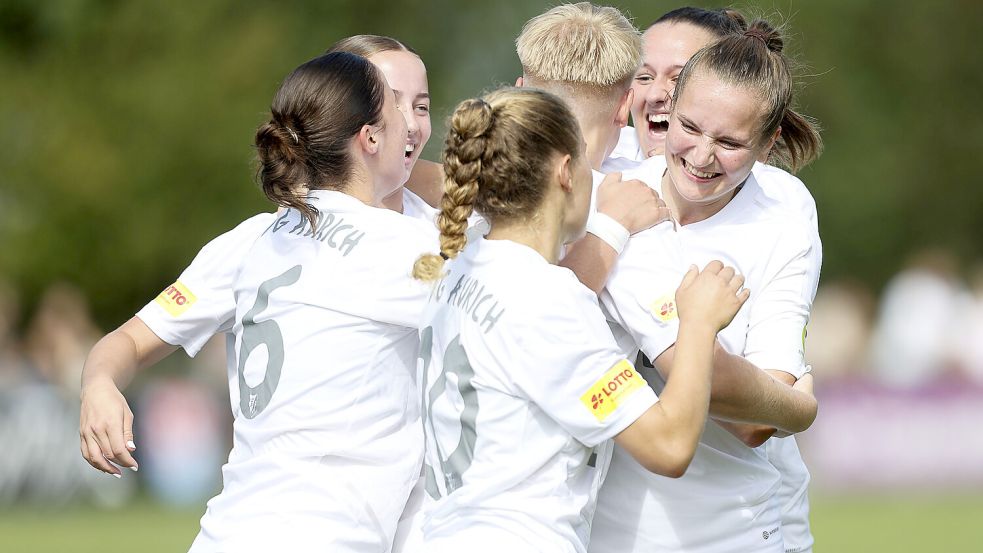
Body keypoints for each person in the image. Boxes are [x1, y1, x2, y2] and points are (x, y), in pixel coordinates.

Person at [83, 51, 437, 552]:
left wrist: (98, 382)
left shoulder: (258, 235)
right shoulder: (400, 249)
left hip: (227, 535)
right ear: (370, 137)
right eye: (397, 109)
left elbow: (126, 340)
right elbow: (521, 300)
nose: (413, 127)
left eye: (420, 105)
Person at [413, 85, 748, 553]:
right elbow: (669, 446)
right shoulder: (545, 298)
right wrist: (698, 324)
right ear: (567, 171)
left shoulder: (457, 265)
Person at [589, 18, 824, 553]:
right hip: (608, 534)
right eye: (688, 127)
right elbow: (728, 389)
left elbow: (753, 426)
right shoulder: (619, 197)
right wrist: (799, 407)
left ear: (769, 145)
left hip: (737, 533)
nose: (700, 156)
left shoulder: (785, 208)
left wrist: (772, 403)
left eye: (730, 142)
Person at [610, 7, 747, 161]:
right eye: (645, 77)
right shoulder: (595, 159)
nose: (654, 95)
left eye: (678, 79)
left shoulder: (771, 183)